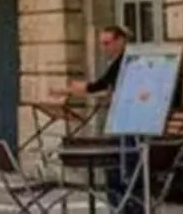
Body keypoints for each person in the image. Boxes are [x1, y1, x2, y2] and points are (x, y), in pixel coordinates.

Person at [58, 25, 137, 214]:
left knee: (119, 169)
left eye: (107, 43)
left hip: (130, 123)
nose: (104, 48)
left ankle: (123, 208)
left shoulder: (126, 61)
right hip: (122, 120)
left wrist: (80, 88)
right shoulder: (118, 61)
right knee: (117, 169)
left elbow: (101, 84)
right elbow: (107, 86)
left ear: (120, 41)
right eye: (102, 44)